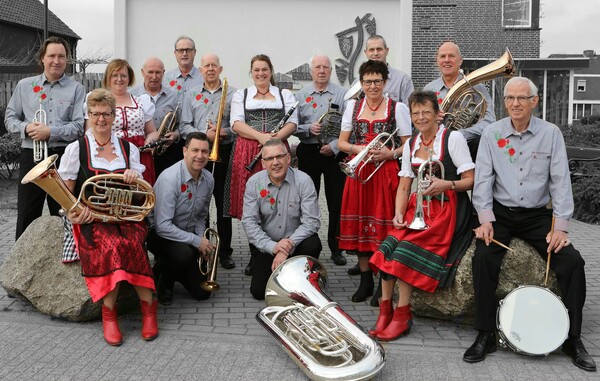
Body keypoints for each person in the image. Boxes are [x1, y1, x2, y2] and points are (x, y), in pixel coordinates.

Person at [463, 77, 596, 372]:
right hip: (500, 213)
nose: (515, 104)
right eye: (510, 98)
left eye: (522, 98)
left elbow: (561, 182)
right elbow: (483, 180)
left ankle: (573, 338)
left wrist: (560, 227)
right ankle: (485, 333)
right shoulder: (492, 134)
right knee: (483, 257)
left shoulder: (550, 134)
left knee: (573, 261)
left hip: (537, 214)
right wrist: (484, 220)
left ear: (534, 101)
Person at [368, 90, 475, 341]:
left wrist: (446, 184)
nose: (421, 117)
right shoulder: (412, 143)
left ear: (438, 115)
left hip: (447, 208)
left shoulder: (453, 138)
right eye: (416, 113)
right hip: (418, 208)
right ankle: (386, 310)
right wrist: (397, 214)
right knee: (387, 247)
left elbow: (470, 180)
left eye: (426, 112)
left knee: (404, 250)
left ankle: (403, 314)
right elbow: (405, 185)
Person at [58, 88, 157, 346]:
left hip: (126, 218)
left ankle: (149, 310)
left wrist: (135, 180)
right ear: (88, 116)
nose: (101, 119)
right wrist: (74, 212)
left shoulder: (128, 149)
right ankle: (109, 316)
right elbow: (65, 193)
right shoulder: (75, 149)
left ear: (114, 116)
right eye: (95, 114)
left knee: (133, 244)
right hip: (92, 219)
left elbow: (140, 195)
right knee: (111, 246)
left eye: (106, 114)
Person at [337, 60, 411, 304]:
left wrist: (390, 153)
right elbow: (341, 143)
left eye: (377, 81)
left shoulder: (397, 107)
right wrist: (360, 148)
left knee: (383, 229)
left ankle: (383, 282)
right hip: (359, 173)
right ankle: (365, 279)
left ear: (385, 82)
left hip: (385, 173)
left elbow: (408, 144)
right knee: (360, 228)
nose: (372, 86)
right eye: (367, 82)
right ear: (361, 83)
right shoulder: (353, 107)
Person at [5, 36, 85, 240]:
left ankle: (64, 263)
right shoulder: (25, 85)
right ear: (42, 58)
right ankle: (21, 265)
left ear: (67, 59)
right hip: (31, 155)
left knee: (63, 213)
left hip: (64, 157)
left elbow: (78, 127)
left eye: (61, 56)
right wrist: (26, 127)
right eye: (51, 56)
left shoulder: (76, 89)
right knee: (26, 214)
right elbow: (10, 118)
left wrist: (50, 132)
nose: (56, 61)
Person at [226, 54, 298, 276]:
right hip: (249, 151)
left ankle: (281, 248)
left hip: (276, 150)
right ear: (251, 72)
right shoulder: (242, 94)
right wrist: (262, 137)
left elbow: (293, 123)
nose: (260, 73)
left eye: (264, 69)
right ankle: (256, 253)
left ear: (271, 71)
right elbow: (236, 124)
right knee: (254, 203)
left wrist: (273, 140)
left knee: (278, 199)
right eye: (256, 70)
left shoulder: (284, 94)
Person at [241, 139, 321, 300]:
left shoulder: (303, 180)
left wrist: (286, 248)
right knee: (258, 292)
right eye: (270, 159)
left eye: (279, 156)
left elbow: (312, 222)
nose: (275, 162)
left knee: (313, 243)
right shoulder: (254, 183)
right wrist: (274, 247)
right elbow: (249, 222)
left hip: (297, 243)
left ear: (288, 158)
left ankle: (303, 277)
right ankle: (290, 277)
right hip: (268, 245)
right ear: (263, 163)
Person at [179, 53, 237, 270]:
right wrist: (203, 135)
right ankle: (201, 247)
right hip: (198, 155)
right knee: (199, 204)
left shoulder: (233, 93)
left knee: (223, 205)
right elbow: (184, 126)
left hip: (223, 152)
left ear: (220, 69)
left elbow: (238, 125)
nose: (210, 69)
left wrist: (222, 132)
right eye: (206, 66)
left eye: (214, 65)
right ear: (200, 70)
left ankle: (225, 252)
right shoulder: (191, 94)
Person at [147, 132, 215, 306]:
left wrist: (202, 239)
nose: (200, 156)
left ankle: (162, 269)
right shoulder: (170, 179)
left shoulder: (209, 179)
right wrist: (195, 241)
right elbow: (162, 226)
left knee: (203, 293)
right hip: (159, 235)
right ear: (184, 151)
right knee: (183, 254)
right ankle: (164, 284)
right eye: (195, 150)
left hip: (186, 236)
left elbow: (201, 216)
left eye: (204, 151)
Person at [294, 54, 347, 266]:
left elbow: (348, 125)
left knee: (336, 202)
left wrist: (334, 146)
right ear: (311, 71)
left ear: (331, 71)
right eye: (318, 67)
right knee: (308, 201)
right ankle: (307, 243)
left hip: (334, 154)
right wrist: (308, 128)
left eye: (326, 67)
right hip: (309, 151)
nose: (322, 70)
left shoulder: (342, 94)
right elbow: (292, 125)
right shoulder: (301, 95)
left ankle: (337, 248)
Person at [423, 41, 496, 159]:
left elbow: (489, 120)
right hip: (437, 149)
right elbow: (419, 122)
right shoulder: (429, 89)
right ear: (438, 61)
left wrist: (462, 134)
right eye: (442, 56)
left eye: (451, 56)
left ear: (460, 61)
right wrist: (432, 119)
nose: (446, 60)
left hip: (470, 146)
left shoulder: (476, 87)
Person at [98, 59, 159, 184]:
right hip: (112, 156)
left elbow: (152, 131)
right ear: (108, 78)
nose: (119, 79)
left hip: (140, 155)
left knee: (141, 195)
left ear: (129, 78)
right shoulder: (99, 103)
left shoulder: (142, 101)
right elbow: (90, 133)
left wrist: (150, 140)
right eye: (115, 75)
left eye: (123, 75)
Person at [130, 56, 181, 177]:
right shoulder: (132, 95)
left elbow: (180, 124)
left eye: (158, 72)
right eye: (150, 72)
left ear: (163, 73)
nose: (154, 76)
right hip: (140, 152)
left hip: (166, 154)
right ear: (142, 72)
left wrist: (176, 134)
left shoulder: (173, 97)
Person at [363, 35, 414, 105]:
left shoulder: (403, 79)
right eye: (371, 50)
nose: (375, 53)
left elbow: (409, 111)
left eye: (379, 49)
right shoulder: (358, 83)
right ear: (366, 53)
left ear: (386, 51)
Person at [163, 36, 204, 105]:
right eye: (181, 50)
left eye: (188, 50)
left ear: (194, 52)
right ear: (175, 53)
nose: (184, 53)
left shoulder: (203, 78)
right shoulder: (165, 79)